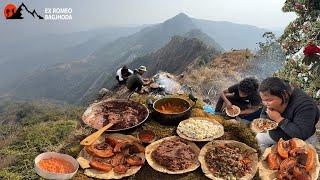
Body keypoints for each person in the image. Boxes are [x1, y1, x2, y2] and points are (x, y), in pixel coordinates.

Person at [256, 77, 320, 151]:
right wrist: (267, 123)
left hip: (302, 139)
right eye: (263, 100)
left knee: (304, 158)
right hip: (278, 133)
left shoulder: (305, 105)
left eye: (269, 100)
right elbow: (263, 114)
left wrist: (279, 119)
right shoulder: (271, 98)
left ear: (284, 95)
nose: (265, 103)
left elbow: (302, 135)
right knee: (258, 139)